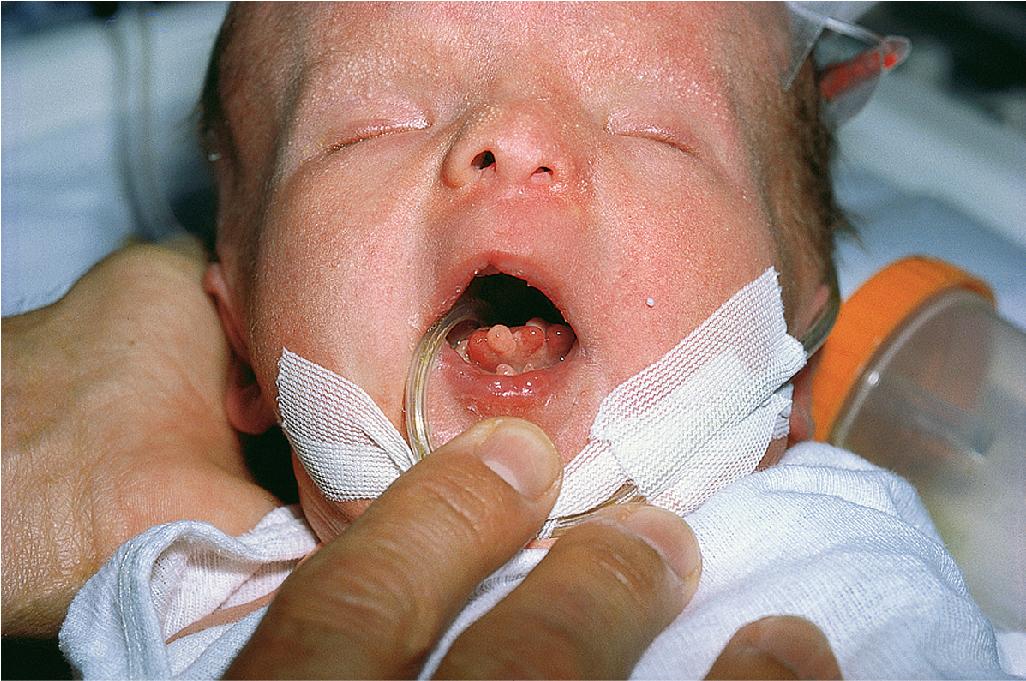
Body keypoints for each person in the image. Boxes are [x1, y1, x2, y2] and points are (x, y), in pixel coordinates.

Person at [3, 3, 1011, 678]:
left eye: (659, 130)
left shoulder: (845, 549)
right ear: (241, 345)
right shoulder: (190, 597)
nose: (513, 135)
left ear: (793, 323)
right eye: (369, 126)